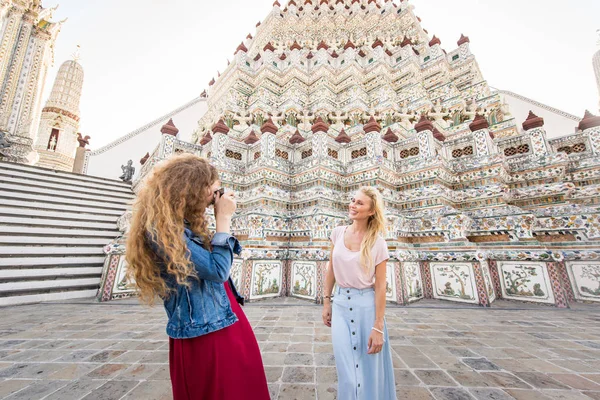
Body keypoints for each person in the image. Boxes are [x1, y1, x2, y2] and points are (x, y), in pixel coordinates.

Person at [126, 154, 269, 400]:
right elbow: (216, 271)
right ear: (191, 189)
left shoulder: (182, 226)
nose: (217, 197)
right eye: (214, 190)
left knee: (243, 388)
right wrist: (223, 218)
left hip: (223, 319)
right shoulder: (164, 233)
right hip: (204, 332)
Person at [322, 187, 397, 400]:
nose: (353, 205)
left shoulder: (378, 243)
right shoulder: (337, 233)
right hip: (340, 306)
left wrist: (378, 326)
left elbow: (381, 286)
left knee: (369, 370)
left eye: (359, 203)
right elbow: (331, 271)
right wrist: (326, 303)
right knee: (346, 371)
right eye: (353, 201)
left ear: (371, 211)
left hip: (366, 308)